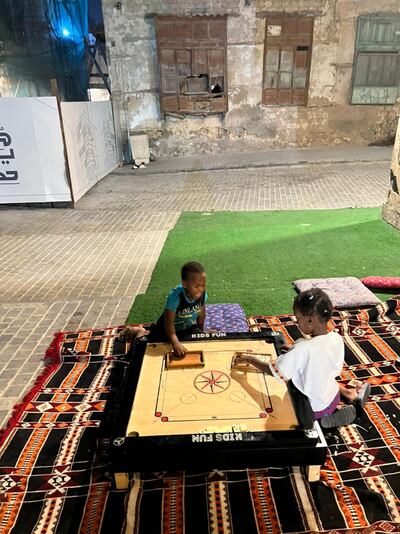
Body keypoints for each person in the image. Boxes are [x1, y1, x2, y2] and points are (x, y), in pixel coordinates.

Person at [234, 288, 370, 429]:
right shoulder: (335, 338)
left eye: (298, 319)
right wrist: (294, 350)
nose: (297, 323)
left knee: (290, 385)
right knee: (322, 372)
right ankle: (349, 393)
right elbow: (317, 355)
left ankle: (326, 422)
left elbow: (273, 371)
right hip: (333, 395)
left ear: (310, 319)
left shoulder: (303, 349)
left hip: (314, 408)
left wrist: (249, 359)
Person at [149, 261, 207, 358]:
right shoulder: (175, 297)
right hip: (165, 331)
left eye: (203, 285)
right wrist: (175, 342)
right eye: (196, 286)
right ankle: (138, 331)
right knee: (150, 349)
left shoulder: (203, 294)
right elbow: (168, 323)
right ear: (184, 284)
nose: (200, 289)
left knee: (205, 345)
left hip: (187, 329)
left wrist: (202, 334)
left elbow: (201, 316)